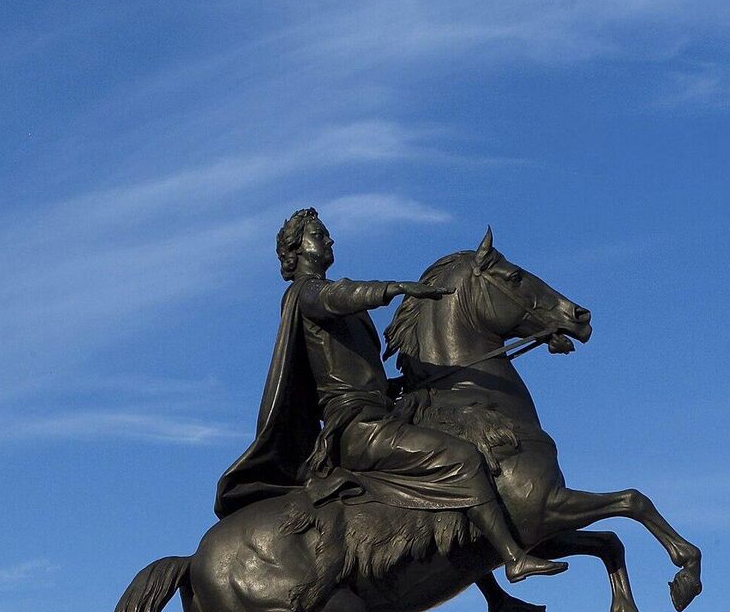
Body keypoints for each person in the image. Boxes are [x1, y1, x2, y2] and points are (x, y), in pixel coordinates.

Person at [215, 208, 567, 583]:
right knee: (461, 458)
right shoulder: (305, 294)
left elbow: (358, 373)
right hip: (358, 429)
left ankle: (491, 593)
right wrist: (394, 288)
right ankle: (513, 558)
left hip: (378, 415)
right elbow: (339, 297)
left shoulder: (332, 302)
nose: (329, 240)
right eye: (319, 234)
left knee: (449, 456)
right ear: (297, 250)